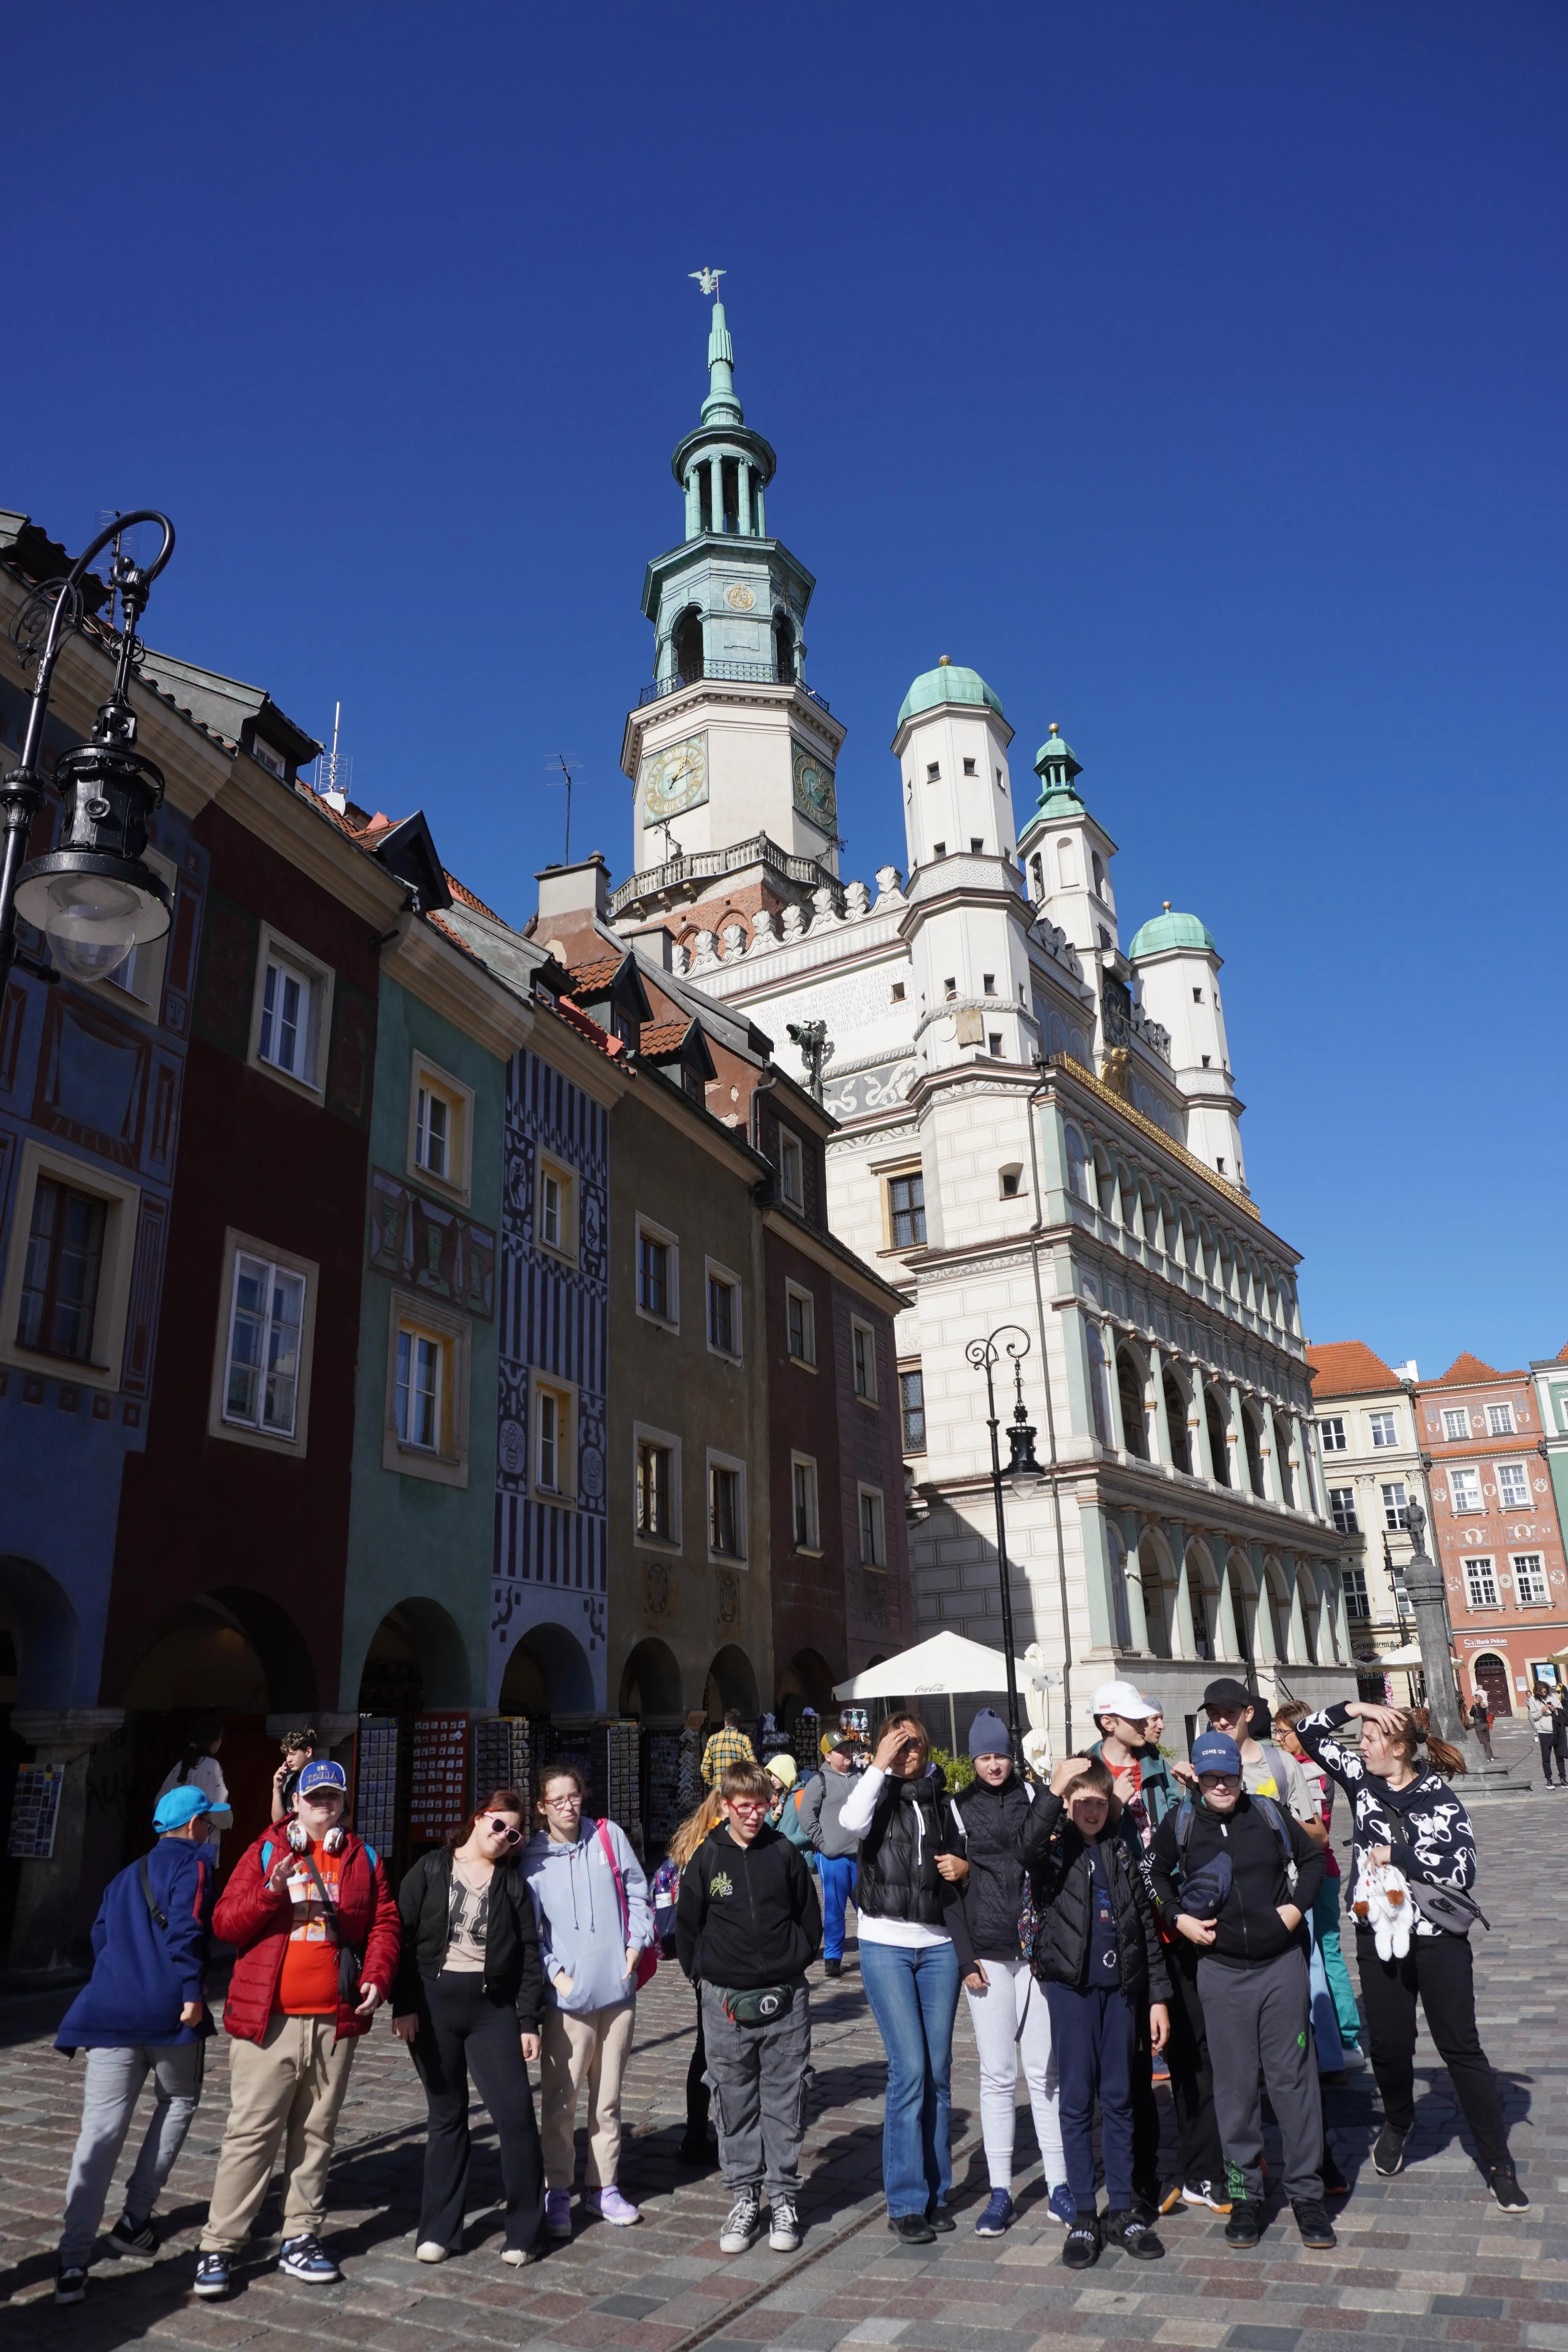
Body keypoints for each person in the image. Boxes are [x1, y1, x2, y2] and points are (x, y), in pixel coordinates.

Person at [1295, 1700, 1528, 2212]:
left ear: (1398, 1748)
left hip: (1438, 1938)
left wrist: (1398, 1855)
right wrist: (1357, 1706)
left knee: (1461, 2048)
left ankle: (1497, 2162)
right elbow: (1307, 1732)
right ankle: (1399, 2121)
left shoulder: (1439, 1798)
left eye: (1372, 1736)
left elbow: (1460, 1869)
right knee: (1391, 2047)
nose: (1362, 1744)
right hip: (1377, 1933)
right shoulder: (1360, 1780)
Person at [194, 1760, 400, 2298]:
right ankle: (220, 2245)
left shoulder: (363, 1857)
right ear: (295, 1802)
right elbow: (225, 1923)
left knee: (316, 2135)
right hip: (269, 2021)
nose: (323, 1806)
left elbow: (383, 1923)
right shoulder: (265, 1851)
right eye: (314, 1798)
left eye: (332, 1798)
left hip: (333, 2021)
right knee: (251, 2135)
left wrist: (378, 1974)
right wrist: (270, 1889)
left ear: (343, 1804)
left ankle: (301, 2236)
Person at [1147, 1732, 1334, 2252]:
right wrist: (1178, 1918)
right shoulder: (1182, 1823)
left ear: (1239, 1773)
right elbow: (1154, 1874)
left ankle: (1306, 2194)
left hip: (1280, 1967)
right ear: (1199, 1780)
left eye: (1228, 1775)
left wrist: (1296, 1909)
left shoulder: (1269, 1814)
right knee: (1232, 2088)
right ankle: (1245, 2194)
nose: (1221, 1785)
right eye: (1210, 1778)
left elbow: (1316, 1858)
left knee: (1292, 2083)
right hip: (1221, 1972)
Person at [52, 1784, 217, 2305]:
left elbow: (102, 1939)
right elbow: (186, 1930)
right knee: (180, 2100)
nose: (211, 1831)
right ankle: (135, 2219)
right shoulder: (193, 1864)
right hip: (167, 2012)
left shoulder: (124, 1876)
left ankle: (73, 2261)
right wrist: (192, 1991)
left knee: (98, 2134)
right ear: (192, 1827)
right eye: (208, 1823)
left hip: (108, 2013)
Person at [1021, 1755, 1170, 2271]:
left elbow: (1144, 1929)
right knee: (1077, 2101)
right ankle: (1085, 2211)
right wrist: (1053, 1789)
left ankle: (1123, 2209)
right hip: (1073, 1994)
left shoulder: (1121, 1851)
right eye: (1079, 1799)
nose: (1089, 1809)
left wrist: (1156, 1997)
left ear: (1111, 1806)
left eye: (1098, 1801)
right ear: (1066, 1802)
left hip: (1122, 1993)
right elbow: (1028, 1846)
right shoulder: (1055, 1851)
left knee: (1122, 2098)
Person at [392, 1791, 546, 2265]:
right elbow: (401, 1935)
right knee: (446, 2117)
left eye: (515, 1834)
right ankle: (439, 2228)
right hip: (434, 2006)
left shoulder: (513, 1885)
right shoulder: (432, 1869)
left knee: (516, 2116)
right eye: (498, 1825)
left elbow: (527, 1954)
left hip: (491, 2011)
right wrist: (405, 2004)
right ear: (479, 1818)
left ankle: (523, 2230)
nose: (504, 1838)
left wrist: (528, 2021)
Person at [676, 1759, 822, 2254]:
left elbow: (809, 1915)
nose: (755, 1815)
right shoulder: (707, 1859)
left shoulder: (783, 1852)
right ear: (725, 1807)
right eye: (745, 1806)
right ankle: (744, 2196)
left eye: (763, 1805)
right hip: (724, 2001)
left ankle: (782, 2197)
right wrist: (704, 1977)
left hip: (785, 1996)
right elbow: (688, 1924)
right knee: (733, 2101)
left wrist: (795, 1960)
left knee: (785, 2100)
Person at [937, 1709, 1070, 2235]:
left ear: (1013, 1756)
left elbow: (1049, 1865)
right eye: (985, 1757)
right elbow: (949, 1893)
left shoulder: (1037, 1799)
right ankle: (999, 2190)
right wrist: (965, 1960)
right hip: (989, 1954)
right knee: (997, 2075)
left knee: (1044, 2072)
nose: (994, 1765)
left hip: (1037, 1952)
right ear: (974, 1759)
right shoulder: (959, 1806)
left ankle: (1060, 2184)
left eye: (1001, 1755)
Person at [838, 1713, 969, 2243]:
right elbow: (848, 1824)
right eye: (899, 1741)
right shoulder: (877, 1795)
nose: (908, 1748)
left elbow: (969, 1853)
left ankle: (938, 2194)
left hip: (939, 1946)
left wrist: (965, 1868)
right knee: (910, 2068)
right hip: (886, 1943)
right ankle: (907, 2199)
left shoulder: (945, 1796)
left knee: (938, 2070)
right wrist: (880, 1766)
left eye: (915, 1740)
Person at [523, 1762, 652, 2235]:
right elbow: (530, 1933)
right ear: (541, 1807)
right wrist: (557, 1978)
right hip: (568, 2004)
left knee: (609, 2101)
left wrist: (634, 1950)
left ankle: (604, 2189)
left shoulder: (608, 1837)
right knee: (561, 2103)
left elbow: (640, 1892)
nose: (567, 1806)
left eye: (573, 1796)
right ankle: (558, 2191)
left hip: (617, 1993)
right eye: (556, 1800)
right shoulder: (533, 1861)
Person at [1085, 1680, 1181, 2214]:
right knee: (1132, 2059)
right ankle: (1141, 2180)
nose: (1146, 1724)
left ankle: (1200, 2163)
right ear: (1108, 1723)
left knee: (1182, 2044)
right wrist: (1115, 1808)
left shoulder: (1161, 1770)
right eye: (1134, 1718)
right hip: (1118, 1925)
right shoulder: (1085, 1773)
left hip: (1167, 1918)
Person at [1274, 1702, 1363, 2062]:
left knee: (1326, 1951)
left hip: (1318, 1871)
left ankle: (1346, 2035)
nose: (1278, 1739)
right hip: (1322, 1871)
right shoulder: (1305, 1766)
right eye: (1275, 1732)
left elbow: (1316, 1831)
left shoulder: (1310, 1771)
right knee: (1324, 1951)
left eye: (1284, 1732)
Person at [650, 1788, 726, 2162]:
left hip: (698, 1958)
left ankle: (696, 2131)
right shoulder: (714, 1844)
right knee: (722, 2048)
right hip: (718, 1956)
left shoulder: (689, 1840)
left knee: (707, 2046)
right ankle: (715, 2131)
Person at [797, 1734, 862, 1978]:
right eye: (840, 1750)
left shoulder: (859, 1778)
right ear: (827, 1756)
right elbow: (807, 1817)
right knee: (835, 1909)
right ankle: (833, 1958)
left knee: (866, 1907)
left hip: (860, 1856)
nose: (846, 1752)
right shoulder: (819, 1781)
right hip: (833, 1858)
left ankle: (872, 1949)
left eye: (847, 1748)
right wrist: (824, 1843)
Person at [155, 1719, 232, 1844]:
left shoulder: (180, 1766)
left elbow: (160, 1803)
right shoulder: (212, 1766)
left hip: (173, 1838)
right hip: (200, 1840)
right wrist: (228, 1820)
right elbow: (220, 1809)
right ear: (215, 1741)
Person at [702, 1709, 757, 1790]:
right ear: (739, 1725)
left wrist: (714, 1784)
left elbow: (704, 1769)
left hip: (718, 1790)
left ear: (726, 1723)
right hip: (737, 1789)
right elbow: (753, 1767)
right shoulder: (744, 1740)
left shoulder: (712, 1739)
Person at [270, 1730, 318, 1824]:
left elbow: (345, 1818)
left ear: (308, 1752)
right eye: (287, 1755)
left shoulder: (325, 1778)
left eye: (293, 1754)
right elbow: (278, 1822)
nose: (288, 1760)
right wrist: (277, 1789)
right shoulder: (289, 1781)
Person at [1527, 1684, 1564, 1786]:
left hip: (1556, 1730)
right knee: (1546, 1758)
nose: (1544, 1693)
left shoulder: (1553, 1697)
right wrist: (1542, 1711)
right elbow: (1533, 1717)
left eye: (1546, 1692)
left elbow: (1561, 1712)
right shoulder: (1533, 1700)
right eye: (1542, 1692)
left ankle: (1563, 1778)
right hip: (1544, 1732)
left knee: (1560, 1756)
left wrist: (1555, 1710)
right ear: (1538, 1692)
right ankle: (1549, 1780)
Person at [1465, 1697, 1495, 1764]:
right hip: (1486, 1724)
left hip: (1479, 1724)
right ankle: (1491, 1757)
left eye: (1474, 1699)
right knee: (1487, 1741)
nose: (1473, 1700)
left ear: (1478, 1699)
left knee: (1483, 1741)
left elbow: (1471, 1714)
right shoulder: (1484, 1706)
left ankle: (1487, 1757)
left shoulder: (1475, 1707)